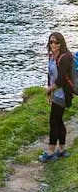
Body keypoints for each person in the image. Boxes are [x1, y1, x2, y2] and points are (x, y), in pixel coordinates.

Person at [39, 31, 73, 162]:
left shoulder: (65, 57)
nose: (53, 44)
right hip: (56, 94)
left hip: (63, 95)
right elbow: (50, 76)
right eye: (51, 42)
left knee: (53, 122)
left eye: (56, 42)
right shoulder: (51, 56)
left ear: (61, 43)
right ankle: (61, 150)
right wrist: (49, 92)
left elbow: (60, 81)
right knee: (58, 121)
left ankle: (50, 152)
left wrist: (48, 90)